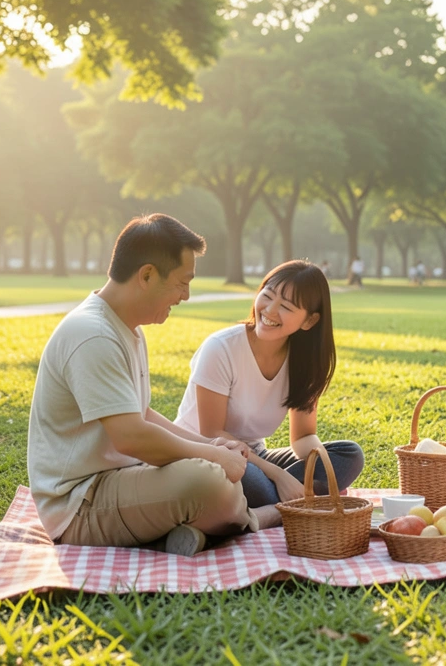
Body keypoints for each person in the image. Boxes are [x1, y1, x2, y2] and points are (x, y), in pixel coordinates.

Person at [27, 214, 268, 557]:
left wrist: (209, 444)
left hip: (116, 482)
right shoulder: (93, 334)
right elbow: (132, 436)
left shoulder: (126, 328)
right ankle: (256, 519)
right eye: (183, 283)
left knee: (218, 475)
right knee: (211, 483)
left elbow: (141, 414)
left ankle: (180, 535)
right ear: (147, 275)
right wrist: (212, 456)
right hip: (79, 505)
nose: (185, 296)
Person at [175, 261, 364, 508]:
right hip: (205, 454)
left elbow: (304, 437)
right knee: (256, 484)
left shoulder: (304, 362)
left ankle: (275, 503)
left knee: (349, 456)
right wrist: (278, 475)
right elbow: (211, 434)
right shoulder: (221, 348)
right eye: (268, 295)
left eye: (286, 306)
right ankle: (289, 503)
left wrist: (325, 466)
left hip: (255, 457)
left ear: (309, 321)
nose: (270, 310)